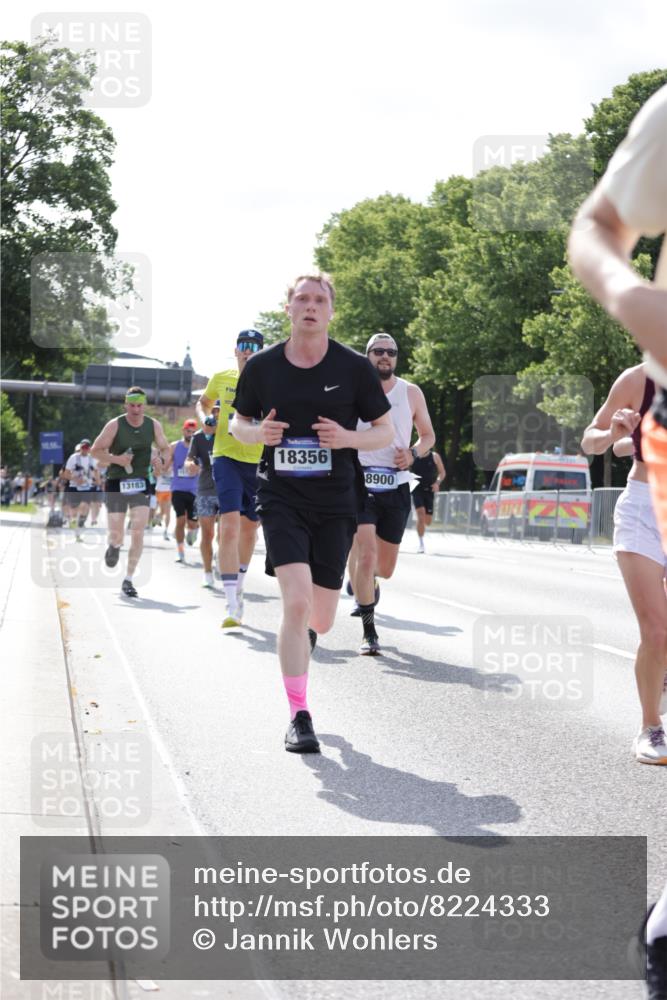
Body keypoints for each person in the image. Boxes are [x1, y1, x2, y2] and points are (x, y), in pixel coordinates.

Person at [231, 273, 393, 753]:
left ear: (330, 311)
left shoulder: (353, 368)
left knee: (320, 619)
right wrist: (257, 433)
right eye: (301, 298)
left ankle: (305, 639)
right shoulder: (261, 367)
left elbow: (383, 432)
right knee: (295, 603)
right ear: (288, 308)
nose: (310, 305)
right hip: (280, 496)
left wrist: (347, 438)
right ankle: (299, 715)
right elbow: (238, 423)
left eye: (319, 299)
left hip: (337, 499)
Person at [568, 83, 667, 534]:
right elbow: (597, 224)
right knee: (654, 611)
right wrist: (630, 297)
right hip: (645, 492)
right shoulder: (665, 114)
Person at [581, 363, 667, 764]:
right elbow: (589, 441)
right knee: (656, 630)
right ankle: (651, 727)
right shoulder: (637, 380)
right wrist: (613, 433)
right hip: (643, 510)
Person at [346, 332, 436, 655]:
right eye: (378, 351)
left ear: (396, 357)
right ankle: (369, 632)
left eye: (391, 351)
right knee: (366, 555)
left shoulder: (410, 392)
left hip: (396, 485)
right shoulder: (352, 389)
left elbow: (428, 436)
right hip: (360, 483)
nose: (385, 355)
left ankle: (364, 580)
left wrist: (413, 454)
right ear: (367, 355)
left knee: (383, 568)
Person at [197, 330, 264, 629]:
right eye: (243, 346)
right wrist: (206, 419)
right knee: (229, 525)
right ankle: (231, 603)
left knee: (250, 530)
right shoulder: (221, 377)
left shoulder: (272, 379)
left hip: (259, 461)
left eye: (254, 347)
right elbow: (203, 402)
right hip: (225, 457)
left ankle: (239, 583)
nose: (247, 351)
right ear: (235, 350)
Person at [90, 386, 171, 598]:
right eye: (132, 405)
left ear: (144, 405)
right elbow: (96, 451)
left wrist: (159, 461)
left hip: (141, 482)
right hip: (117, 481)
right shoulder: (115, 425)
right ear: (126, 405)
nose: (136, 410)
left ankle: (128, 579)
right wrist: (118, 460)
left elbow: (165, 448)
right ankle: (114, 545)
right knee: (116, 531)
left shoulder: (153, 425)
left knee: (138, 531)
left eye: (139, 405)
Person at [185, 401, 221, 588]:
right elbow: (189, 458)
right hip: (206, 489)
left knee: (226, 534)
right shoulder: (198, 437)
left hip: (228, 489)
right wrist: (189, 464)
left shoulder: (231, 434)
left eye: (220, 412)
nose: (217, 415)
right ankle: (207, 573)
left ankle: (221, 556)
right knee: (208, 534)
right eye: (215, 411)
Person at [169, 419, 199, 564]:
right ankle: (180, 552)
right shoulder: (175, 446)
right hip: (178, 489)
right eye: (188, 431)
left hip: (195, 491)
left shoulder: (199, 447)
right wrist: (159, 467)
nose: (191, 434)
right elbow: (165, 463)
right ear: (183, 430)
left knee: (192, 523)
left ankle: (194, 530)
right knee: (180, 520)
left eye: (194, 432)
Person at [62, 439, 99, 540]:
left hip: (87, 487)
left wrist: (98, 481)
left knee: (85, 505)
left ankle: (79, 522)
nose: (84, 450)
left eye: (87, 448)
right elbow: (66, 473)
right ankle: (76, 530)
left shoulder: (92, 459)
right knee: (74, 511)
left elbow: (96, 471)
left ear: (89, 449)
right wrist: (75, 479)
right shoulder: (73, 458)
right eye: (83, 448)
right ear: (80, 448)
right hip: (74, 487)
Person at [412, 449, 446, 552]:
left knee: (428, 521)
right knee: (421, 515)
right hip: (416, 489)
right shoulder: (413, 455)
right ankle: (421, 543)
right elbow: (404, 467)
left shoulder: (434, 456)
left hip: (429, 490)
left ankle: (420, 523)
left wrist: (437, 483)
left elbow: (442, 472)